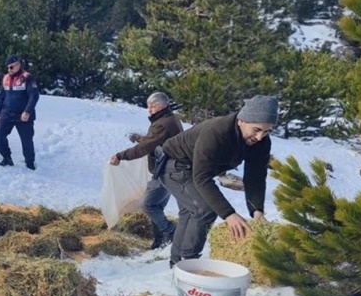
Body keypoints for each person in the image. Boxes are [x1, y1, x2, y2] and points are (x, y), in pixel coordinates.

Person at [156, 95, 278, 268]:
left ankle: (176, 262)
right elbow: (202, 178)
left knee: (190, 213)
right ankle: (188, 263)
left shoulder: (261, 142)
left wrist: (257, 210)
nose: (259, 137)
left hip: (196, 168)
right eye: (256, 129)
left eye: (266, 131)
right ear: (242, 120)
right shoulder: (216, 131)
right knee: (204, 210)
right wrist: (229, 214)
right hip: (175, 165)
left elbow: (255, 177)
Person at [110, 92, 183, 250]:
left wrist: (120, 156)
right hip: (170, 168)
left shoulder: (162, 124)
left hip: (166, 171)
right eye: (148, 106)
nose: (149, 109)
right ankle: (159, 241)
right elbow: (154, 141)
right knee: (157, 206)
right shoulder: (170, 118)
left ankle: (171, 232)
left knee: (147, 205)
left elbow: (145, 147)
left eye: (153, 105)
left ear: (164, 105)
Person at [0, 54, 39, 170]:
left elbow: (34, 96)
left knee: (27, 140)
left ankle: (30, 163)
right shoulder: (6, 78)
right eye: (8, 67)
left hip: (23, 115)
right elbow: (1, 96)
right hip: (7, 113)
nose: (10, 70)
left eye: (12, 67)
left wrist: (27, 111)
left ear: (19, 64)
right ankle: (7, 158)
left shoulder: (27, 77)